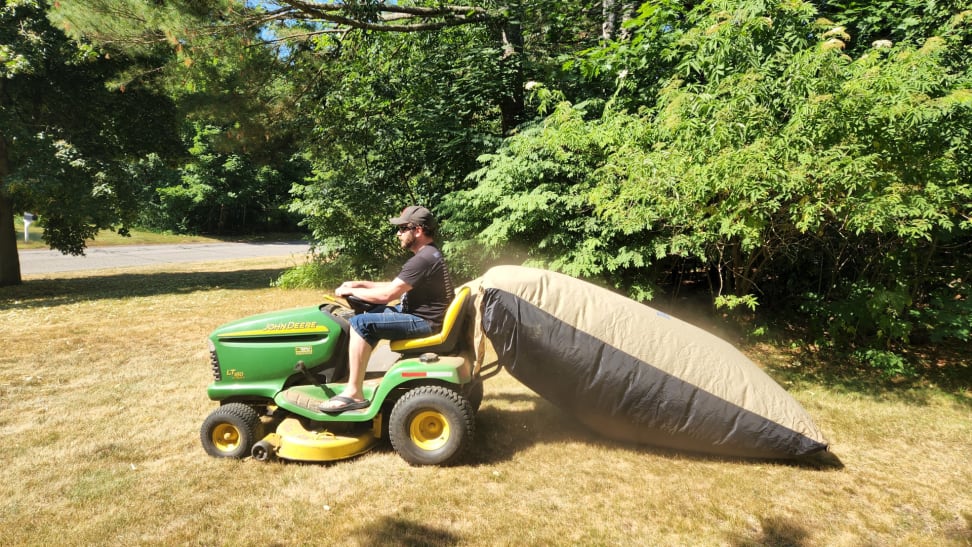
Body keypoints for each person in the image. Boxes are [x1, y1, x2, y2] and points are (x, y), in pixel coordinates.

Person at [320, 205, 454, 413]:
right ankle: (353, 377)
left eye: (402, 229)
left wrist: (349, 293)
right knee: (371, 316)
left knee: (359, 323)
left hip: (424, 321)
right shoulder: (429, 254)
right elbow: (394, 287)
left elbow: (386, 296)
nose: (398, 234)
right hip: (422, 315)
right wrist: (359, 285)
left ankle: (354, 393)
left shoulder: (422, 259)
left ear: (417, 230)